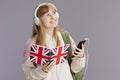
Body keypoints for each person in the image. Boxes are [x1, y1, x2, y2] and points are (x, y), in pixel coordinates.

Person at [22, 2, 86, 80]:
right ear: (38, 20)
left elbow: (74, 69)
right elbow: (29, 76)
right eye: (48, 15)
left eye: (54, 13)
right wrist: (42, 71)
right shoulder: (32, 44)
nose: (53, 17)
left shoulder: (65, 36)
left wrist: (79, 57)